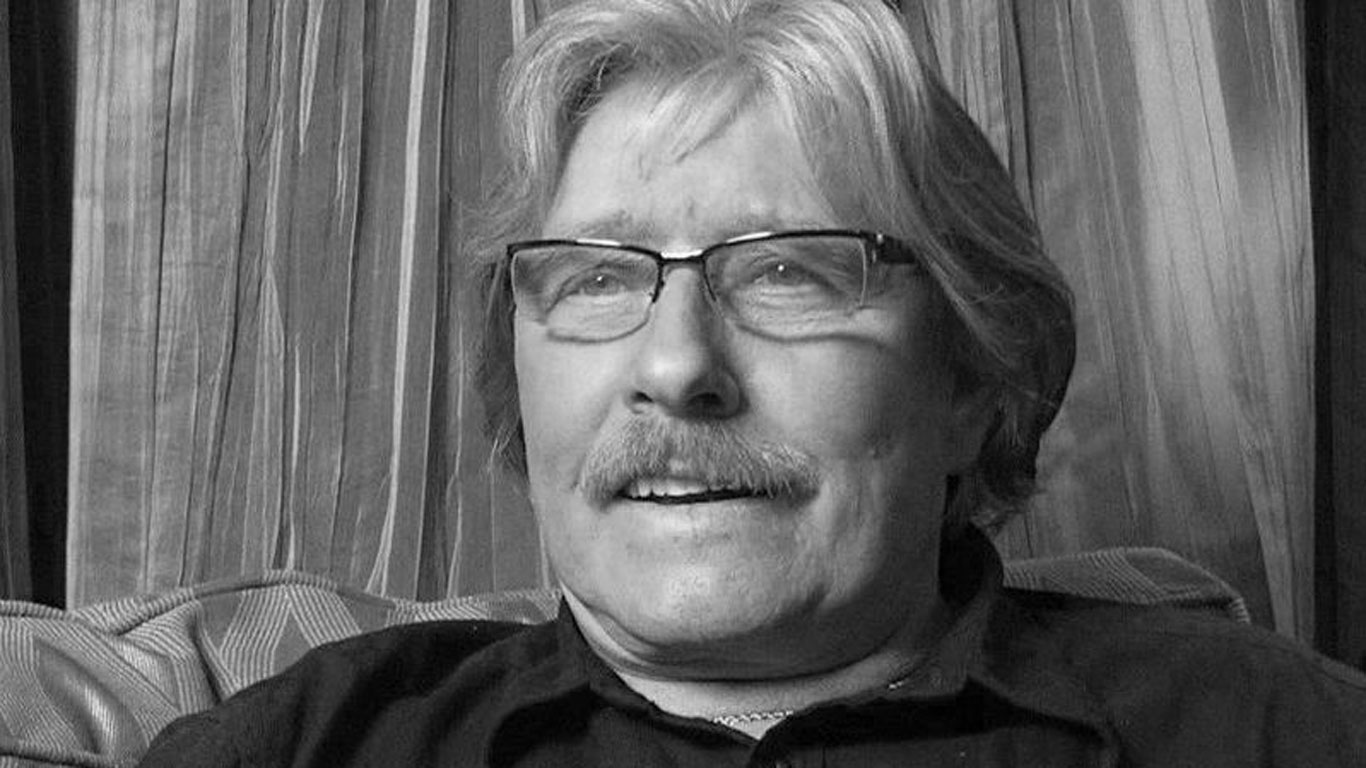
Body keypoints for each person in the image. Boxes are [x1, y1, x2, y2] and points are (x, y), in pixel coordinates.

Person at [139, 0, 1366, 765]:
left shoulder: (1274, 730)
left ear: (974, 379)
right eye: (597, 278)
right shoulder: (308, 743)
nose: (677, 367)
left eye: (789, 272)